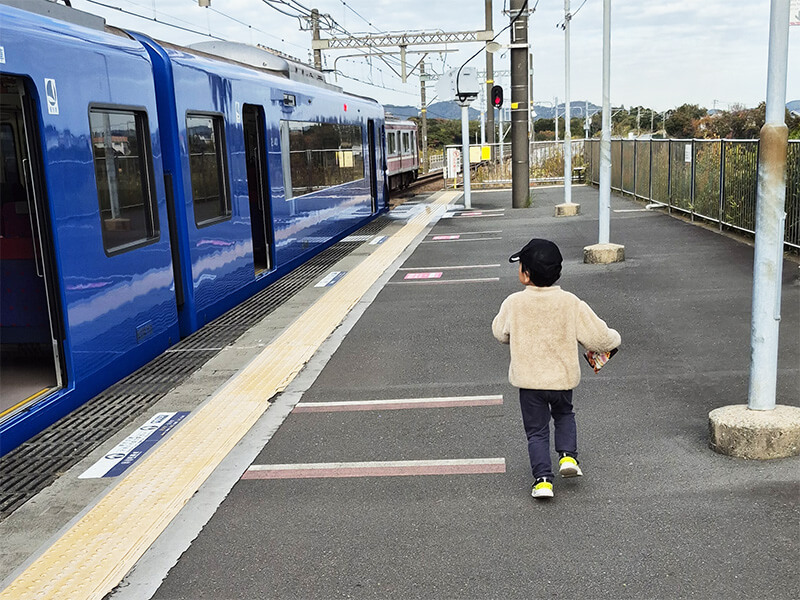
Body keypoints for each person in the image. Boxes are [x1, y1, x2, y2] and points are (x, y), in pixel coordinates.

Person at [492, 238, 621, 500]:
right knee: (564, 415)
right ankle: (567, 457)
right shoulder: (571, 302)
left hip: (530, 383)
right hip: (562, 379)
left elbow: (499, 332)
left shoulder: (514, 303)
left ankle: (542, 481)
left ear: (526, 274)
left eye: (520, 267)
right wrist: (614, 339)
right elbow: (597, 337)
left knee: (536, 431)